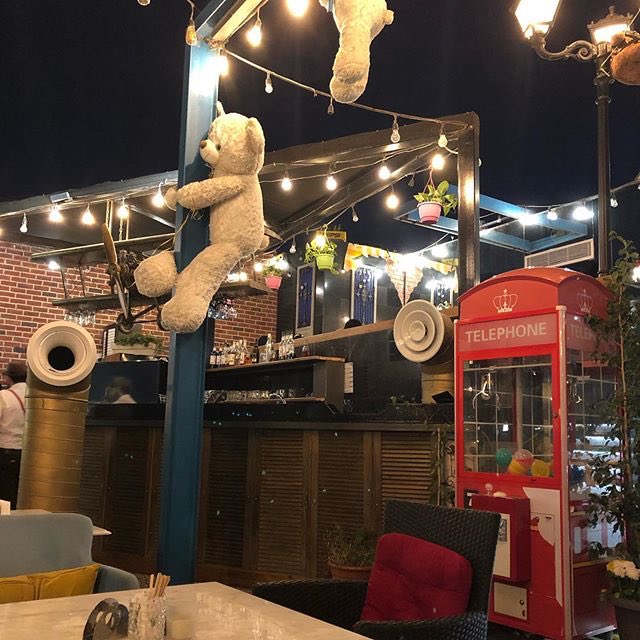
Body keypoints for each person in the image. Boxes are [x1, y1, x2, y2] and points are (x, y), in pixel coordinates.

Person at [0, 362, 27, 509]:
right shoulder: (34, 395)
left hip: (5, 452)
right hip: (27, 455)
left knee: (5, 497)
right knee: (20, 494)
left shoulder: (4, 396)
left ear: (9, 378)